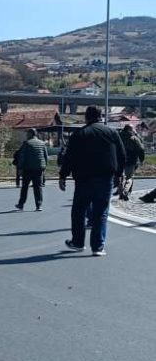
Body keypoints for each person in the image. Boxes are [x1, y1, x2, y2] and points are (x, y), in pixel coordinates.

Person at [59, 106, 126, 256]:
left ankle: (78, 242)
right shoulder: (112, 133)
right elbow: (122, 155)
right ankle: (98, 247)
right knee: (100, 212)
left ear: (86, 117)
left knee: (79, 211)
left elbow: (69, 157)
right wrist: (119, 174)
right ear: (101, 116)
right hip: (105, 178)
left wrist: (63, 176)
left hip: (83, 179)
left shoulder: (79, 134)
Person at [15, 128, 48, 211]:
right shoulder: (42, 143)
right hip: (39, 169)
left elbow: (22, 157)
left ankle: (21, 204)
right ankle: (39, 205)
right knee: (38, 187)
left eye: (27, 134)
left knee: (25, 187)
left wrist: (20, 168)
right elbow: (45, 156)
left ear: (30, 134)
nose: (26, 135)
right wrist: (44, 167)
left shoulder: (26, 143)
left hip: (28, 169)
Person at [119, 125, 146, 200]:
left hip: (119, 159)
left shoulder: (118, 136)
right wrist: (141, 159)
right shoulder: (133, 138)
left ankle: (120, 192)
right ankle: (125, 191)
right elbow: (141, 148)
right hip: (131, 160)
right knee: (129, 177)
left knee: (121, 176)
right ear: (130, 129)